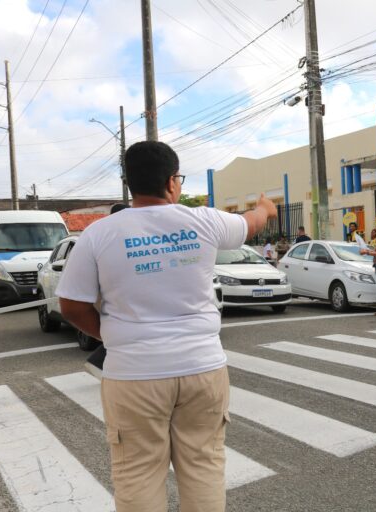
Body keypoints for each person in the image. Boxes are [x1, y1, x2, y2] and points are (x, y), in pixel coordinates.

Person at [56, 140, 278, 511]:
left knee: (137, 471)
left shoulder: (98, 234)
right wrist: (265, 208)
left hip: (133, 374)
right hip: (201, 368)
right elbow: (252, 223)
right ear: (172, 182)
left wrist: (112, 336)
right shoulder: (204, 220)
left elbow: (71, 305)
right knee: (204, 465)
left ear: (129, 183)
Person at [84, 204, 131, 379]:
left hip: (107, 295)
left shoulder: (104, 235)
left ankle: (100, 364)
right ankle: (99, 364)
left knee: (121, 332)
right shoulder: (114, 237)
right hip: (114, 295)